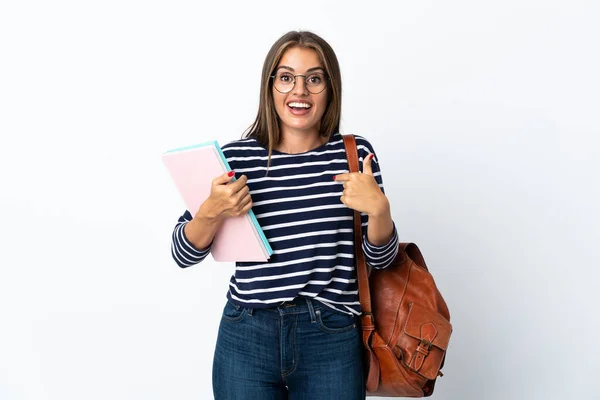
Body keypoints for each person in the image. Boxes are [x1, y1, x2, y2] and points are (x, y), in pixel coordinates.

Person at [170, 30, 399, 400]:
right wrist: (210, 212)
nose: (300, 91)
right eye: (287, 77)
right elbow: (182, 253)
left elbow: (382, 259)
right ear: (270, 85)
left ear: (330, 88)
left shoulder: (354, 156)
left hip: (330, 333)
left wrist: (380, 210)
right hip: (247, 333)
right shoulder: (236, 159)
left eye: (314, 78)